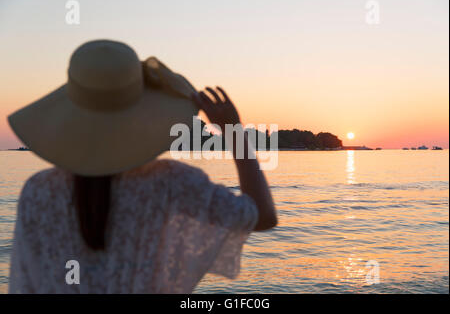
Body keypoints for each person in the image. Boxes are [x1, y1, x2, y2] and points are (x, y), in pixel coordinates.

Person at [7, 40, 277, 293]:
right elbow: (263, 216)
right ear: (143, 106)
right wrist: (233, 131)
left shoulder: (38, 192)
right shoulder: (172, 183)